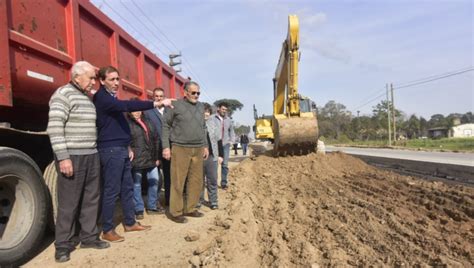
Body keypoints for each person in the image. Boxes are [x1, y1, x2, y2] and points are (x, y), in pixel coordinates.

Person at [93, 66, 173, 242]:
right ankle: (107, 229)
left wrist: (127, 146)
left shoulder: (112, 98)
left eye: (117, 79)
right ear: (102, 81)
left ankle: (130, 223)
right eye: (112, 79)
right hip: (111, 150)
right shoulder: (102, 98)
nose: (116, 83)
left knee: (127, 188)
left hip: (121, 149)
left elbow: (120, 125)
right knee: (112, 191)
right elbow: (127, 105)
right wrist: (156, 103)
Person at [47, 61, 109, 263]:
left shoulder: (87, 97)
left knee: (91, 199)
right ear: (77, 77)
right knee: (69, 203)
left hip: (91, 155)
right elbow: (55, 127)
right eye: (91, 78)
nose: (94, 82)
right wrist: (64, 157)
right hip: (72, 157)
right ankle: (63, 245)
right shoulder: (63, 94)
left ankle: (89, 238)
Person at [162, 81, 209, 223]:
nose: (196, 95)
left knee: (196, 181)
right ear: (185, 93)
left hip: (198, 148)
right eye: (193, 92)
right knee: (178, 180)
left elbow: (203, 127)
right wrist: (166, 147)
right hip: (180, 147)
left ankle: (191, 208)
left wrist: (205, 145)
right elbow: (165, 125)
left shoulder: (201, 107)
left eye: (198, 93)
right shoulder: (175, 105)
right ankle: (175, 212)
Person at [128, 107, 163, 220]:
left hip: (151, 159)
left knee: (154, 181)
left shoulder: (148, 122)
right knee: (136, 185)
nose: (137, 112)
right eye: (134, 110)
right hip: (136, 160)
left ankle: (152, 206)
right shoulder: (127, 124)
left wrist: (157, 157)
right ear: (129, 112)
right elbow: (126, 141)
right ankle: (138, 209)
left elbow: (156, 139)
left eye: (139, 110)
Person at [144, 87, 170, 207]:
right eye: (156, 96)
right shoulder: (148, 112)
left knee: (169, 175)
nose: (159, 98)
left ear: (164, 97)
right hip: (155, 149)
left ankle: (169, 200)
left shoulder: (170, 111)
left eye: (161, 96)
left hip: (169, 148)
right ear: (153, 97)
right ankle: (156, 201)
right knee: (156, 178)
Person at [199, 103, 223, 210]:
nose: (206, 114)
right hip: (198, 157)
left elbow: (219, 141)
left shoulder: (214, 124)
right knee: (199, 181)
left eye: (207, 112)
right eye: (203, 112)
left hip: (212, 157)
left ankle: (213, 201)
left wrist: (220, 155)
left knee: (212, 180)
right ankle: (198, 201)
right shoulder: (196, 124)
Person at [210, 103, 234, 189]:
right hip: (215, 144)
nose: (224, 111)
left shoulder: (228, 119)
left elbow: (231, 131)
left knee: (225, 164)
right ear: (218, 109)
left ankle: (224, 183)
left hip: (225, 144)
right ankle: (213, 183)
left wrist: (231, 141)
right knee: (214, 164)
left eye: (226, 110)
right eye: (223, 109)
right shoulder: (212, 118)